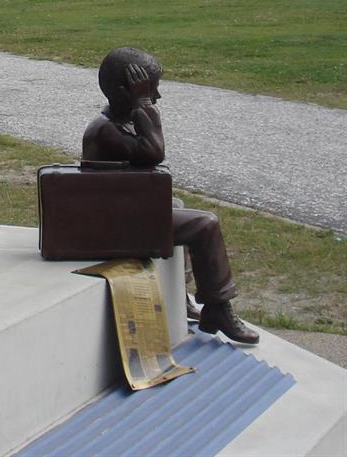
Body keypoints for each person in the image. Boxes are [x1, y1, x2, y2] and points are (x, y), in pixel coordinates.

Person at [82, 47, 259, 345]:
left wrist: (140, 104)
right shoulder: (106, 131)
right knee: (205, 224)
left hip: (119, 214)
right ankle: (218, 308)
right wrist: (143, 105)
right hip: (113, 227)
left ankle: (180, 294)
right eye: (150, 91)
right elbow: (154, 152)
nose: (157, 97)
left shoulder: (116, 121)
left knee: (175, 206)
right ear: (126, 93)